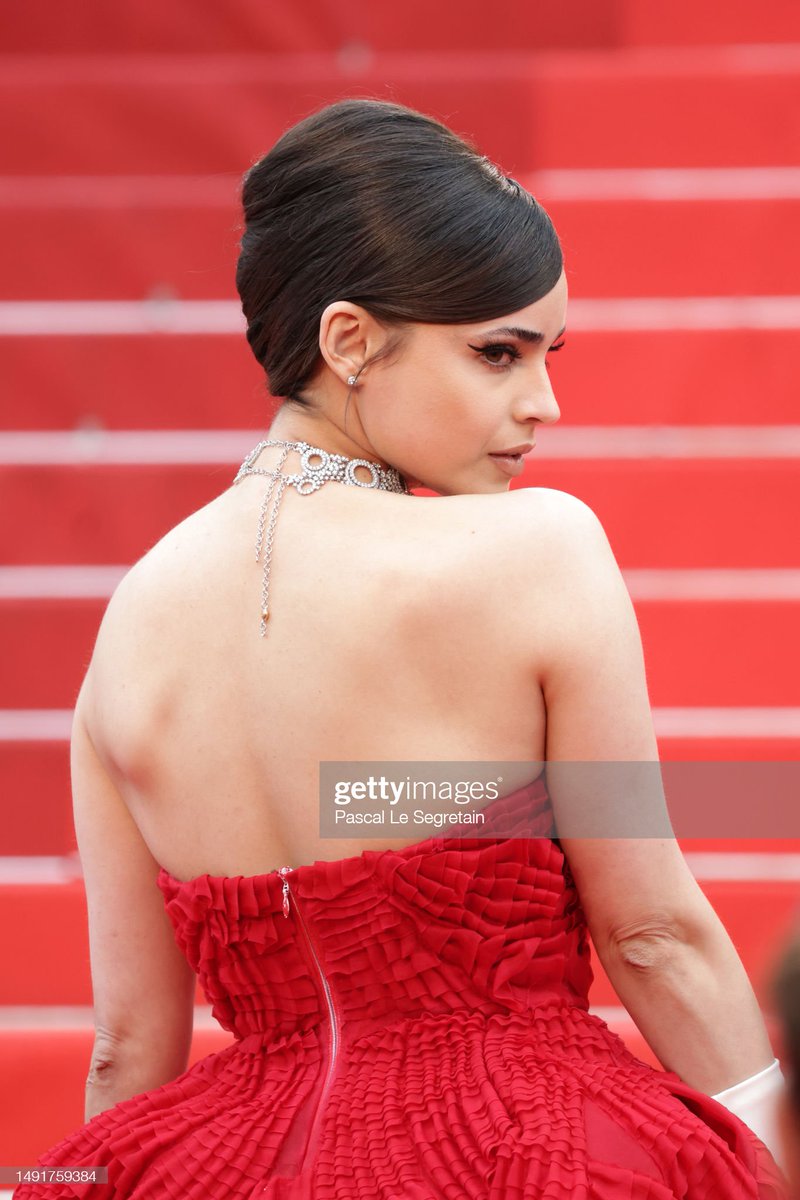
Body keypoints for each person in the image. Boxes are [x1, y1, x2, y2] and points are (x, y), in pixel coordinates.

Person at [14, 97, 790, 1199]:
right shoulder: (538, 550)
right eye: (497, 354)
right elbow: (652, 933)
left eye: (545, 354)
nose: (544, 402)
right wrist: (773, 1145)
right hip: (530, 1150)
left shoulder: (129, 624)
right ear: (348, 340)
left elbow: (126, 1047)